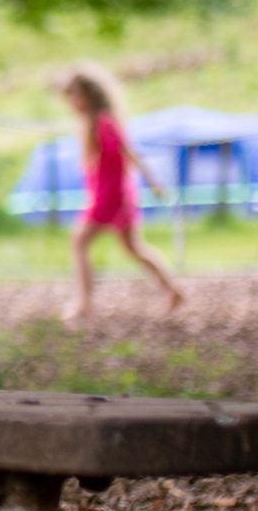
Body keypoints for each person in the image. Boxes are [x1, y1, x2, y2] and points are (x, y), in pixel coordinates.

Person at [61, 63, 184, 323]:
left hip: (111, 196)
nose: (71, 101)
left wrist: (153, 181)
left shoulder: (104, 124)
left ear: (87, 96)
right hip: (116, 194)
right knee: (134, 247)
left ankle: (84, 303)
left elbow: (127, 152)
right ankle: (173, 291)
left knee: (79, 242)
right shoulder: (94, 123)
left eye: (74, 95)